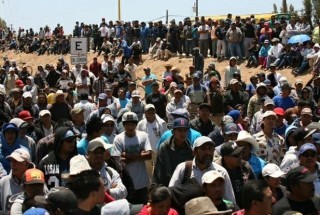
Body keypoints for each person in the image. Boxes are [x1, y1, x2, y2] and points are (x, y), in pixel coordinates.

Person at [169, 136, 236, 203]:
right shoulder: (184, 168)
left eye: (210, 149)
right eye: (203, 149)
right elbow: (171, 194)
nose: (208, 153)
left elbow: (230, 200)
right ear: (194, 152)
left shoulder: (220, 171)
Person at [113, 112, 152, 204]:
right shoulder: (118, 138)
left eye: (132, 123)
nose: (130, 126)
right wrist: (140, 155)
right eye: (127, 123)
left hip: (142, 182)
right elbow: (117, 160)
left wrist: (128, 156)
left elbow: (149, 155)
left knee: (142, 208)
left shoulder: (143, 135)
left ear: (136, 124)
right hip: (126, 183)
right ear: (124, 124)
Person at [153, 117, 194, 187]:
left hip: (185, 187)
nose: (183, 133)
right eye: (180, 130)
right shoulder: (165, 147)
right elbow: (159, 170)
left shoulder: (190, 149)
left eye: (185, 130)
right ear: (173, 132)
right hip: (168, 186)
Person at [218, 141, 256, 207]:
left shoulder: (245, 166)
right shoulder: (219, 172)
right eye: (236, 155)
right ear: (226, 158)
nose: (240, 157)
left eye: (240, 153)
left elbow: (255, 186)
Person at [137, 104, 168, 178]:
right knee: (148, 173)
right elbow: (138, 137)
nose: (151, 112)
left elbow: (165, 136)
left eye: (152, 110)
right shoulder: (141, 124)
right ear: (145, 112)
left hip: (159, 151)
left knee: (159, 172)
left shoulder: (162, 123)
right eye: (148, 110)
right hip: (146, 152)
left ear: (155, 111)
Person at [0, 148, 32, 212]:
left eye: (17, 161)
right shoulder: (3, 182)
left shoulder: (37, 182)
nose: (13, 164)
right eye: (11, 161)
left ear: (27, 164)